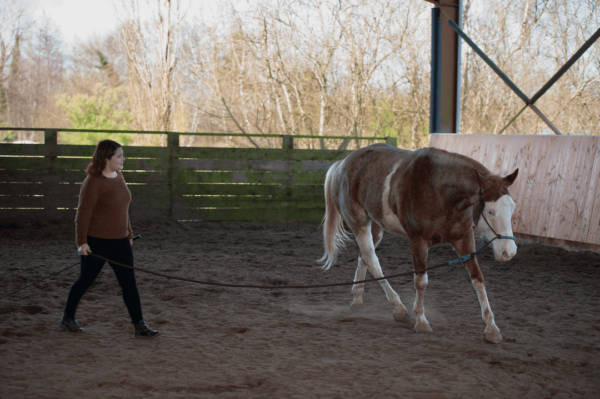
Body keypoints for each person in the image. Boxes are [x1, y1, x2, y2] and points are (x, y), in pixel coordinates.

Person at [60, 139, 160, 339]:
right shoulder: (93, 182)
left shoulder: (118, 176)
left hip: (121, 242)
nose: (123, 159)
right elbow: (83, 215)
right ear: (106, 159)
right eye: (119, 156)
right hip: (97, 242)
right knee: (85, 281)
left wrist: (129, 233)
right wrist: (82, 243)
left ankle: (139, 324)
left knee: (129, 284)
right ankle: (67, 318)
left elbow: (122, 209)